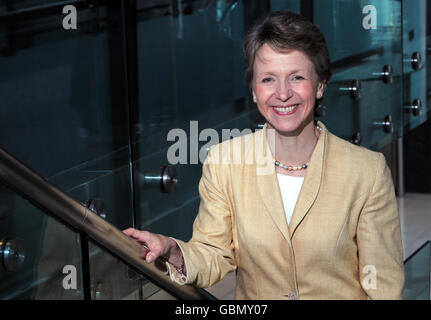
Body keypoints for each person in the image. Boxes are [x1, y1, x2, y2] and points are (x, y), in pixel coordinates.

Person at [123, 11, 405, 300]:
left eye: (296, 77)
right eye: (268, 79)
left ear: (320, 85)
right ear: (254, 90)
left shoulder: (367, 171)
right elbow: (213, 253)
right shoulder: (225, 163)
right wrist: (172, 250)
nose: (282, 94)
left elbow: (383, 284)